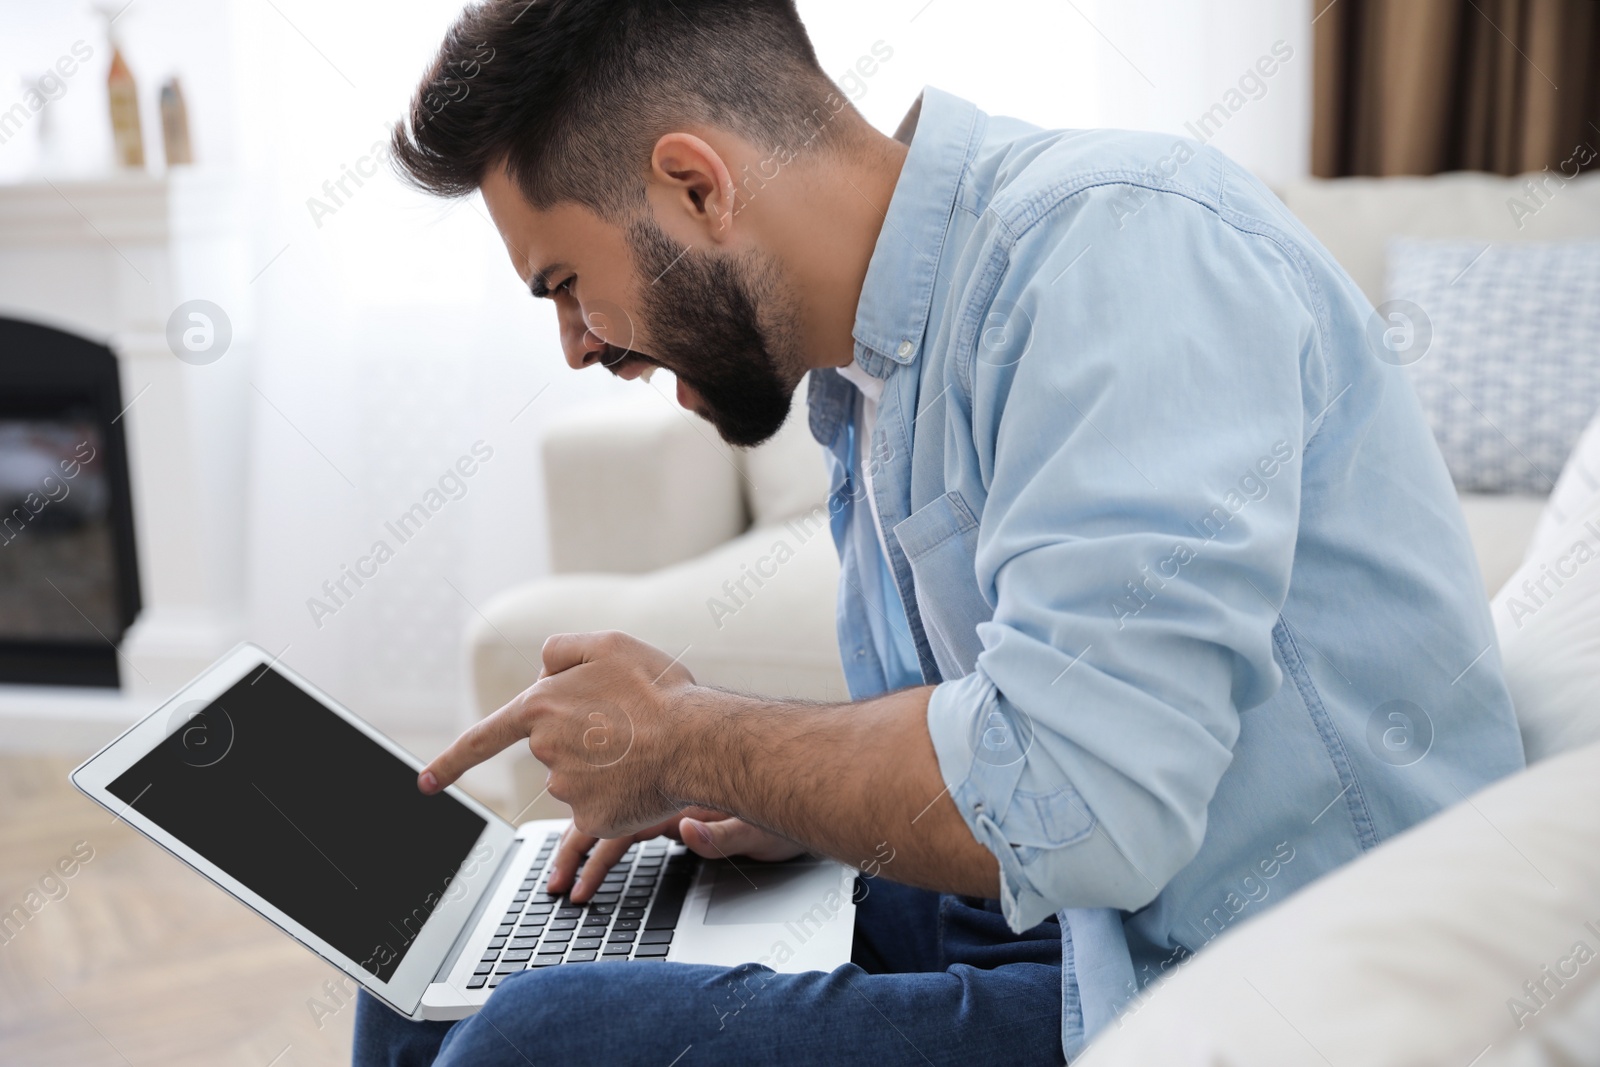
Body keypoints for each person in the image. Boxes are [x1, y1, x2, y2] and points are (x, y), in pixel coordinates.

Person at [356, 1, 1525, 1063]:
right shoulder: (871, 374)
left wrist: (692, 738)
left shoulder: (1113, 249)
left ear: (696, 186)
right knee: (421, 992)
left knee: (536, 1043)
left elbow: (1083, 804)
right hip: (1071, 922)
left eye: (565, 282)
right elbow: (1007, 734)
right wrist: (768, 792)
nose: (573, 344)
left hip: (1242, 979)